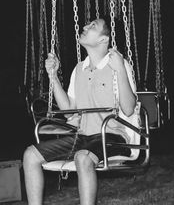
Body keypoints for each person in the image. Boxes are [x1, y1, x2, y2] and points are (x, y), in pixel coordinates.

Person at [23, 18, 137, 205]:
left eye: (93, 26)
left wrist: (120, 71)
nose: (84, 26)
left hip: (112, 136)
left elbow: (129, 108)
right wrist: (53, 77)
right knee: (30, 155)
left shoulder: (119, 64)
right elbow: (68, 112)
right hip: (83, 136)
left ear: (103, 39)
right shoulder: (78, 69)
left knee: (82, 157)